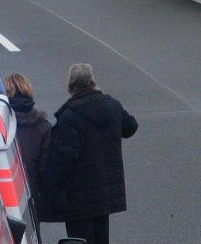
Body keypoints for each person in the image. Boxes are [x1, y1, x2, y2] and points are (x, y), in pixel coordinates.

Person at [42, 63, 138, 244]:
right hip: (104, 192)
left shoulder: (69, 117)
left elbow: (63, 159)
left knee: (80, 240)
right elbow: (130, 127)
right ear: (93, 81)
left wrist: (51, 191)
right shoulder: (112, 105)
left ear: (70, 86)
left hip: (78, 197)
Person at [3, 73, 51, 216]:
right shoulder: (42, 126)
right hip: (32, 191)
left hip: (5, 190)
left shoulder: (0, 125)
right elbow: (45, 167)